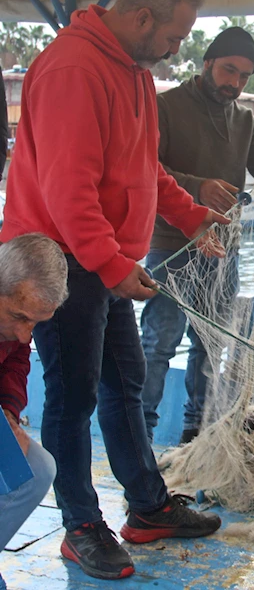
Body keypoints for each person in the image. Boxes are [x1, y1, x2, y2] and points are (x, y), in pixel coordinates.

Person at [0, 0, 230, 580]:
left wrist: (193, 215)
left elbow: (143, 167)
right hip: (59, 260)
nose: (177, 49)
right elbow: (68, 189)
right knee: (72, 396)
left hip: (105, 260)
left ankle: (148, 506)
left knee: (124, 382)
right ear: (143, 18)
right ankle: (80, 525)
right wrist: (110, 263)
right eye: (176, 35)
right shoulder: (74, 69)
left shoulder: (134, 71)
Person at [140, 27, 254, 444]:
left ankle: (198, 436)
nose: (235, 83)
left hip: (224, 252)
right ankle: (141, 436)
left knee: (211, 346)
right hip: (171, 248)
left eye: (244, 77)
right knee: (158, 345)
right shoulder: (165, 107)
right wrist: (197, 187)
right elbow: (143, 168)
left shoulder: (244, 120)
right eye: (229, 70)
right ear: (207, 63)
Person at [0, 235, 68, 590]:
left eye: (36, 324)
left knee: (38, 468)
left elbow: (16, 363)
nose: (27, 336)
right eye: (19, 317)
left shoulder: (14, 329)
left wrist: (9, 415)